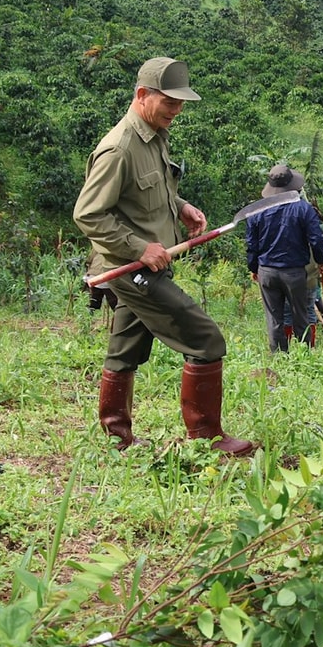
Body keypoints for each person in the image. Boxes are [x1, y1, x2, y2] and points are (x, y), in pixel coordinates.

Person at [75, 57, 255, 456]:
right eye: (170, 102)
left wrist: (181, 206)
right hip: (130, 269)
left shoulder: (154, 135)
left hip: (148, 264)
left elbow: (148, 194)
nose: (177, 110)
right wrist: (140, 248)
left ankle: (115, 438)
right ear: (142, 95)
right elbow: (88, 214)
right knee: (205, 338)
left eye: (181, 103)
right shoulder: (118, 149)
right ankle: (206, 437)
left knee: (124, 350)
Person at [243, 162, 323, 353]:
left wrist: (253, 268)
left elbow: (252, 244)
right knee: (301, 316)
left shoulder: (256, 211)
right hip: (294, 272)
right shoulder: (303, 209)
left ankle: (278, 356)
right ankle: (304, 356)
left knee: (274, 319)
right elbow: (316, 239)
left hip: (266, 270)